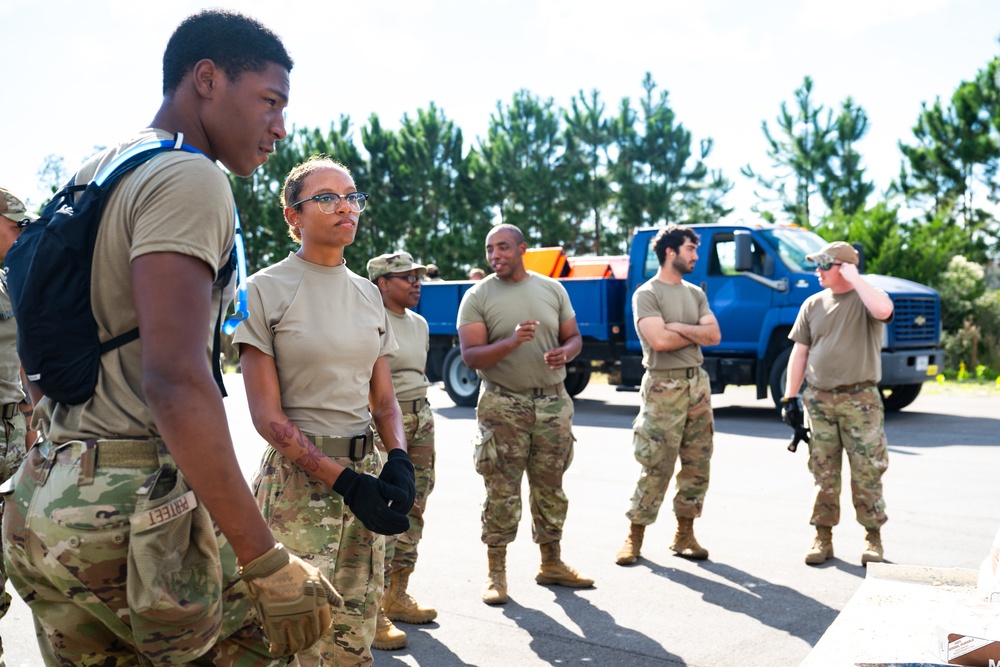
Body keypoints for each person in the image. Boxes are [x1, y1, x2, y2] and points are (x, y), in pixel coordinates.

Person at [2, 11, 341, 665]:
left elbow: (40, 345)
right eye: (269, 101)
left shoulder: (98, 172)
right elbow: (174, 377)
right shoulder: (191, 176)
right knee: (287, 628)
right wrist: (262, 556)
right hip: (132, 517)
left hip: (49, 495)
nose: (281, 127)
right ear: (208, 79)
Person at [235, 156, 416, 666]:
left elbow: (383, 401)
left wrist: (398, 459)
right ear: (292, 215)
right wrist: (341, 480)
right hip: (298, 486)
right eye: (327, 198)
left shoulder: (368, 293)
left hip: (366, 479)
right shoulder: (263, 290)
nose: (345, 207)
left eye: (352, 196)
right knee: (292, 644)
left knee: (352, 645)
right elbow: (266, 416)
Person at [457, 223, 593, 606]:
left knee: (551, 488)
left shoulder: (552, 288)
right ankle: (495, 573)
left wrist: (565, 352)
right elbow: (471, 356)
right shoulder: (477, 296)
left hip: (553, 402)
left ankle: (552, 562)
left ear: (522, 249)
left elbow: (574, 337)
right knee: (501, 490)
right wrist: (512, 341)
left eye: (502, 247)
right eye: (489, 249)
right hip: (503, 404)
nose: (494, 256)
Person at [615, 225, 721, 566]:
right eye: (691, 248)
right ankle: (634, 536)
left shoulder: (695, 293)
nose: (696, 255)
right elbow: (659, 342)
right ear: (670, 252)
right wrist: (694, 333)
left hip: (697, 385)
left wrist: (676, 327)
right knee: (655, 463)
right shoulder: (646, 294)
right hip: (663, 386)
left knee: (697, 462)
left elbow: (715, 334)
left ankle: (684, 535)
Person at [783, 241, 893, 566]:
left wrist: (856, 278)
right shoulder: (813, 304)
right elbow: (799, 352)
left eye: (824, 265)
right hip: (818, 400)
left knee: (867, 471)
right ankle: (823, 537)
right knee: (823, 471)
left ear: (844, 267)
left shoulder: (866, 298)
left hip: (860, 400)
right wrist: (790, 398)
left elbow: (884, 311)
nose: (817, 271)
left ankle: (873, 538)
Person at [366, 252, 436, 651]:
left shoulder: (420, 323)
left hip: (420, 417)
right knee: (382, 512)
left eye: (417, 276)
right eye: (406, 277)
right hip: (383, 422)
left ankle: (398, 592)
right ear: (381, 283)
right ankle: (372, 611)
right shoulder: (369, 320)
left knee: (415, 504)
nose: (416, 283)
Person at [0, 188, 37, 666]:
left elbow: (23, 355)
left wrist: (31, 420)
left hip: (13, 431)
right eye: (16, 225)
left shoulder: (12, 280)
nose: (25, 234)